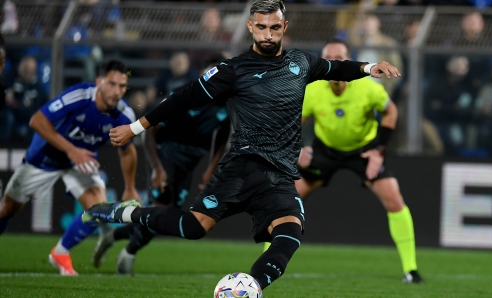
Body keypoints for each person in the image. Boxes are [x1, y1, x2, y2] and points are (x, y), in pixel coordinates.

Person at [83, 0, 400, 291]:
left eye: (274, 27)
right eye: (261, 26)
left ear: (284, 28)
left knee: (290, 235)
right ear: (250, 27)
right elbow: (183, 97)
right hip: (240, 170)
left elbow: (337, 68)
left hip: (277, 178)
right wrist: (136, 127)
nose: (267, 33)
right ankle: (127, 214)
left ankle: (251, 288)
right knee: (193, 228)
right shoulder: (232, 70)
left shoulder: (301, 63)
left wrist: (369, 68)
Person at [277, 39, 423, 284]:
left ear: (350, 60)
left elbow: (391, 111)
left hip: (363, 151)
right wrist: (297, 151)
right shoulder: (311, 89)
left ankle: (411, 270)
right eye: (329, 59)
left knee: (394, 198)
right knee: (283, 201)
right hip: (326, 151)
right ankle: (270, 263)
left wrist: (379, 151)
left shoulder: (368, 88)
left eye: (341, 58)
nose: (335, 63)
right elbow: (292, 125)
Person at [91, 52, 231, 275]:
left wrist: (210, 169)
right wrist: (157, 169)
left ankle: (113, 236)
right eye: (213, 72)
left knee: (168, 218)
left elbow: (223, 135)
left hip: (190, 162)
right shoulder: (185, 94)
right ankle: (129, 253)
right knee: (160, 210)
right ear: (203, 74)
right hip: (166, 153)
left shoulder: (226, 102)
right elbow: (149, 132)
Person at [0, 59, 140, 276]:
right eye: (111, 84)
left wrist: (130, 187)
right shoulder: (79, 96)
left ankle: (60, 253)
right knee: (7, 210)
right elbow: (37, 121)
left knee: (98, 210)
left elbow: (128, 151)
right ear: (99, 82)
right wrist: (70, 150)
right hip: (46, 156)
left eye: (122, 86)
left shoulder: (124, 115)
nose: (117, 91)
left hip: (80, 161)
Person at [1, 56, 49, 143]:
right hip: (11, 111)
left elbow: (41, 104)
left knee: (36, 120)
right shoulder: (9, 78)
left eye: (30, 70)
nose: (28, 72)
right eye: (25, 68)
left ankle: (30, 147)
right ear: (20, 67)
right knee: (8, 117)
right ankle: (3, 147)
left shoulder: (37, 85)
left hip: (28, 112)